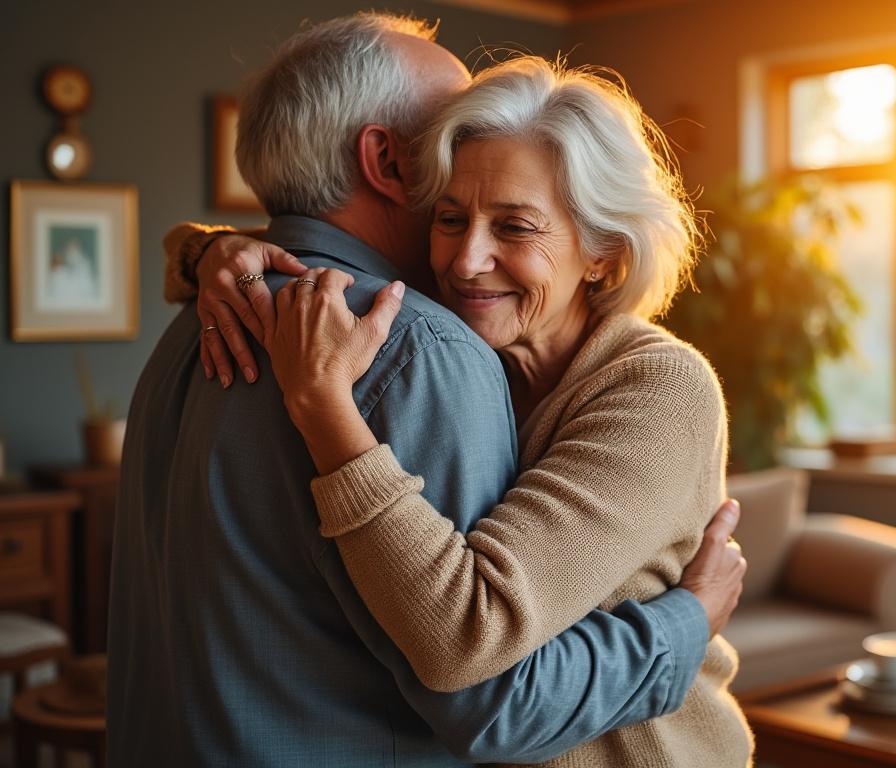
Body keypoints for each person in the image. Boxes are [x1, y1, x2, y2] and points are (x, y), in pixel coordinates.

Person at [111, 14, 745, 767]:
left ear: (604, 252)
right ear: (392, 164)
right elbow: (484, 678)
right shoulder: (424, 344)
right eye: (449, 213)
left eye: (515, 226)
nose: (467, 260)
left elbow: (475, 654)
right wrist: (208, 248)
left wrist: (686, 625)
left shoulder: (199, 322)